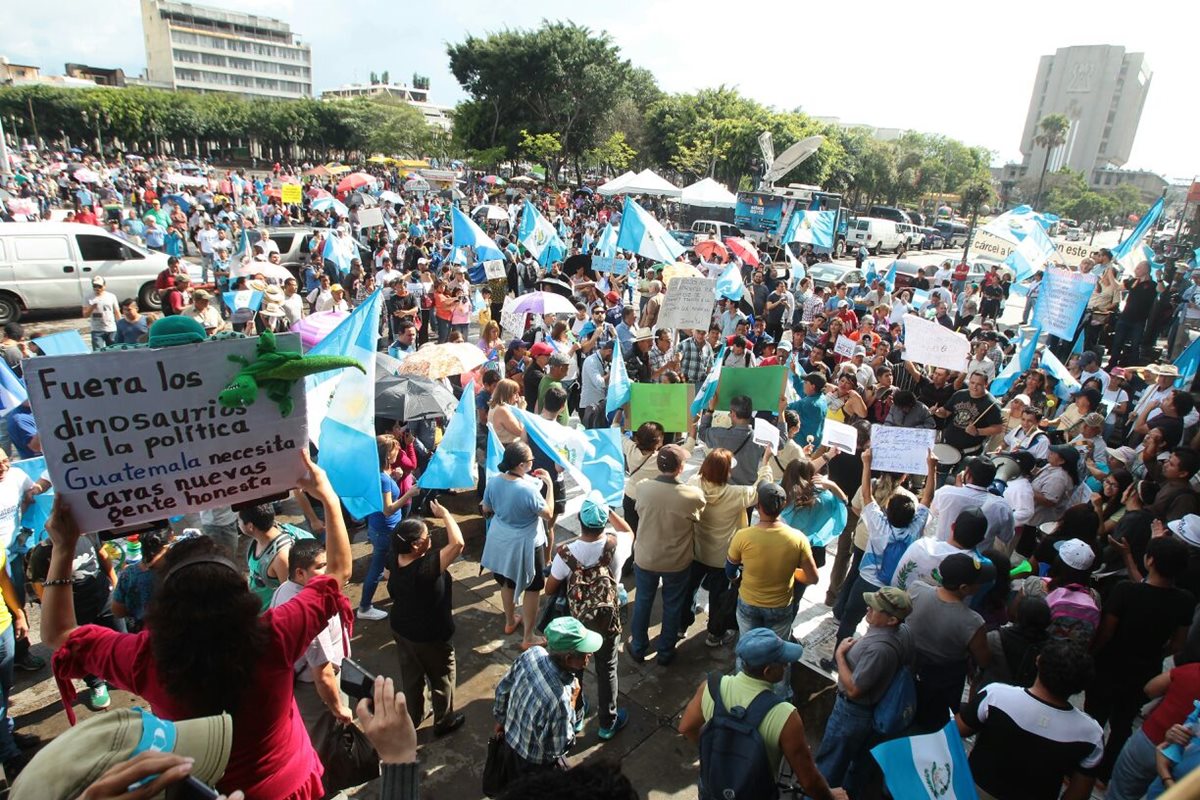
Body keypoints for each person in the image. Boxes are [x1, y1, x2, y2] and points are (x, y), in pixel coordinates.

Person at [43, 452, 354, 799]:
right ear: (241, 595)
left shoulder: (146, 658)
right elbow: (338, 574)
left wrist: (63, 548)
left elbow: (59, 635)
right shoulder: (273, 636)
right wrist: (326, 494)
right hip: (290, 784)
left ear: (164, 606)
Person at [678, 628, 848, 800]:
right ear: (767, 671)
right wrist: (832, 797)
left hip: (712, 788)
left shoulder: (710, 688)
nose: (787, 665)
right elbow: (809, 780)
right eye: (782, 662)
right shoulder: (785, 715)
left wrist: (718, 752)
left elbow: (686, 727)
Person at [1087, 535, 1197, 784]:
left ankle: (1083, 766)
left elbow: (1106, 632)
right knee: (1123, 723)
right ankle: (1104, 774)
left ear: (1150, 560)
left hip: (1110, 663)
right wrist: (1155, 652)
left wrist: (1091, 654)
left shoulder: (1125, 590)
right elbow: (1178, 644)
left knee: (1095, 717)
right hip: (1145, 669)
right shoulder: (1185, 601)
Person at [957, 640, 1103, 800]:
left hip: (974, 791)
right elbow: (1078, 794)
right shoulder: (1091, 734)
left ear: (1038, 661)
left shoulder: (996, 697)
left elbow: (958, 729)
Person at [545, 493, 633, 741]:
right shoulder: (617, 545)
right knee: (608, 669)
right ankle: (608, 723)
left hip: (577, 622)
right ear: (603, 522)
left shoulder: (566, 554)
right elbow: (628, 531)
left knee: (575, 669)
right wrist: (608, 509)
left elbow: (549, 589)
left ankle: (577, 714)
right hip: (607, 620)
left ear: (580, 521)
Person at [831, 447, 935, 650]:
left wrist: (867, 464)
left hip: (867, 582)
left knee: (850, 619)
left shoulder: (878, 526)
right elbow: (928, 498)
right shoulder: (914, 529)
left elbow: (867, 496)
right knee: (886, 629)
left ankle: (838, 654)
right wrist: (932, 468)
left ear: (886, 511)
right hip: (895, 589)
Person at [815, 587, 914, 796]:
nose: (868, 608)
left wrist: (841, 654)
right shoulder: (902, 633)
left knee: (829, 765)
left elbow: (853, 690)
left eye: (876, 608)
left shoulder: (879, 649)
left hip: (852, 714)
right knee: (855, 764)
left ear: (892, 620)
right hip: (867, 711)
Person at [727, 481, 818, 695]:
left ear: (758, 507)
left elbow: (730, 569)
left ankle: (743, 692)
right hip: (780, 606)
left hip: (748, 603)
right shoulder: (798, 539)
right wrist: (790, 572)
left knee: (746, 649)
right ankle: (779, 696)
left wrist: (737, 577)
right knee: (778, 653)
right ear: (784, 505)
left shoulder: (743, 536)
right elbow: (812, 577)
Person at [387, 499, 466, 737]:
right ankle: (444, 721)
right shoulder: (425, 569)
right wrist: (445, 513)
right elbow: (458, 543)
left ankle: (416, 714)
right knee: (442, 678)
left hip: (402, 628)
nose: (430, 538)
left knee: (411, 676)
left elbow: (386, 576)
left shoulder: (394, 557)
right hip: (430, 636)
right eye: (426, 536)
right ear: (414, 546)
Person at [491, 617, 601, 787]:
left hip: (509, 744)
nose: (590, 655)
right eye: (585, 652)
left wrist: (500, 719)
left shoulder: (532, 654)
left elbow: (503, 688)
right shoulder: (560, 700)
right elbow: (558, 747)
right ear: (569, 659)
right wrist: (573, 703)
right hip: (532, 765)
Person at [683, 447, 774, 648]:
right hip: (722, 556)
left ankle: (682, 625)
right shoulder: (737, 493)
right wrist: (765, 463)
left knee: (689, 589)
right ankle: (715, 634)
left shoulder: (693, 484)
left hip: (696, 550)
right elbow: (762, 490)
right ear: (727, 473)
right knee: (718, 596)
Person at [630, 444, 706, 666]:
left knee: (643, 601)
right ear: (681, 468)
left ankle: (638, 647)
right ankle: (665, 651)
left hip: (646, 557)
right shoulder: (692, 495)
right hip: (676, 561)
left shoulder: (644, 487)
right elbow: (698, 517)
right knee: (672, 605)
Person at [906, 552, 994, 730]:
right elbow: (984, 660)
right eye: (976, 581)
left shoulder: (916, 589)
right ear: (964, 588)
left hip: (907, 667)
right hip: (941, 684)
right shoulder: (973, 622)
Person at [481, 441, 555, 650]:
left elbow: (486, 508)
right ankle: (528, 636)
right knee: (532, 588)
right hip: (526, 544)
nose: (533, 462)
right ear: (522, 465)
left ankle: (510, 621)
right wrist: (549, 486)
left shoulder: (494, 481)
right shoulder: (528, 490)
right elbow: (548, 514)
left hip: (501, 539)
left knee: (507, 582)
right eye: (530, 459)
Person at [359, 435, 419, 621]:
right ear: (386, 455)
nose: (398, 453)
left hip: (378, 528)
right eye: (395, 451)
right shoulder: (383, 479)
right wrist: (409, 492)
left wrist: (392, 476)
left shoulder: (377, 474)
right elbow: (387, 509)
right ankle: (365, 606)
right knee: (376, 569)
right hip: (386, 530)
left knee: (386, 564)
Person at [930, 456, 1016, 552]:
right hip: (977, 563)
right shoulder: (1002, 507)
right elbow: (1007, 537)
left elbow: (933, 513)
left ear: (967, 474)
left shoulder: (945, 493)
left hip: (940, 553)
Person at [82, 276, 120, 350]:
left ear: (104, 286)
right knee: (98, 351)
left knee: (114, 350)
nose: (97, 288)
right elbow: (85, 315)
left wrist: (119, 325)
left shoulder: (111, 296)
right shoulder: (87, 297)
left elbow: (116, 312)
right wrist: (92, 307)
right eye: (95, 286)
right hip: (96, 329)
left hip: (111, 329)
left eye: (99, 286)